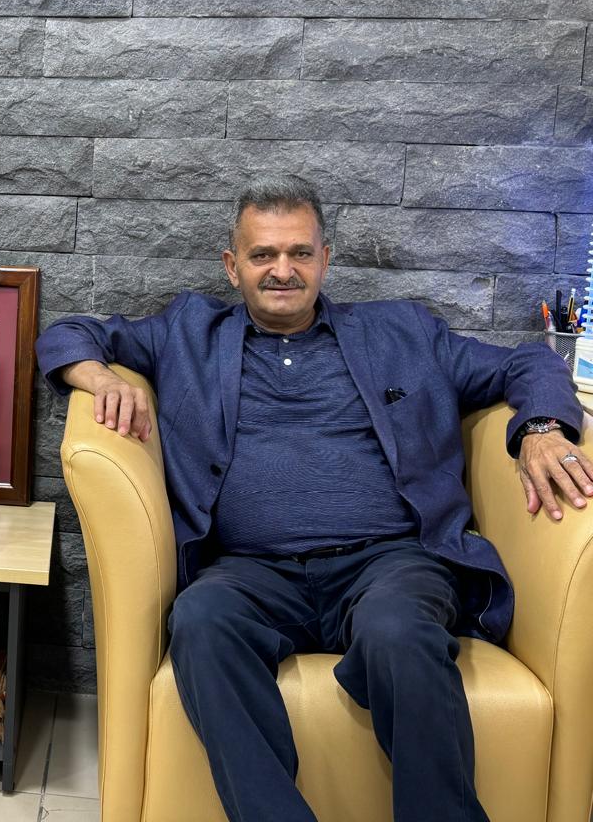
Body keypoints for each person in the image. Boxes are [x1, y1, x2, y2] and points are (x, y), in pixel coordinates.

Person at [36, 180, 589, 822]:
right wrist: (101, 377)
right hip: (249, 571)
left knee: (400, 634)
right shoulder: (186, 333)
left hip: (389, 563)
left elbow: (529, 364)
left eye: (300, 252)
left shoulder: (404, 332)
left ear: (325, 259)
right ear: (232, 266)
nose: (283, 270)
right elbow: (65, 334)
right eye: (263, 255)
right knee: (201, 623)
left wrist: (542, 429)